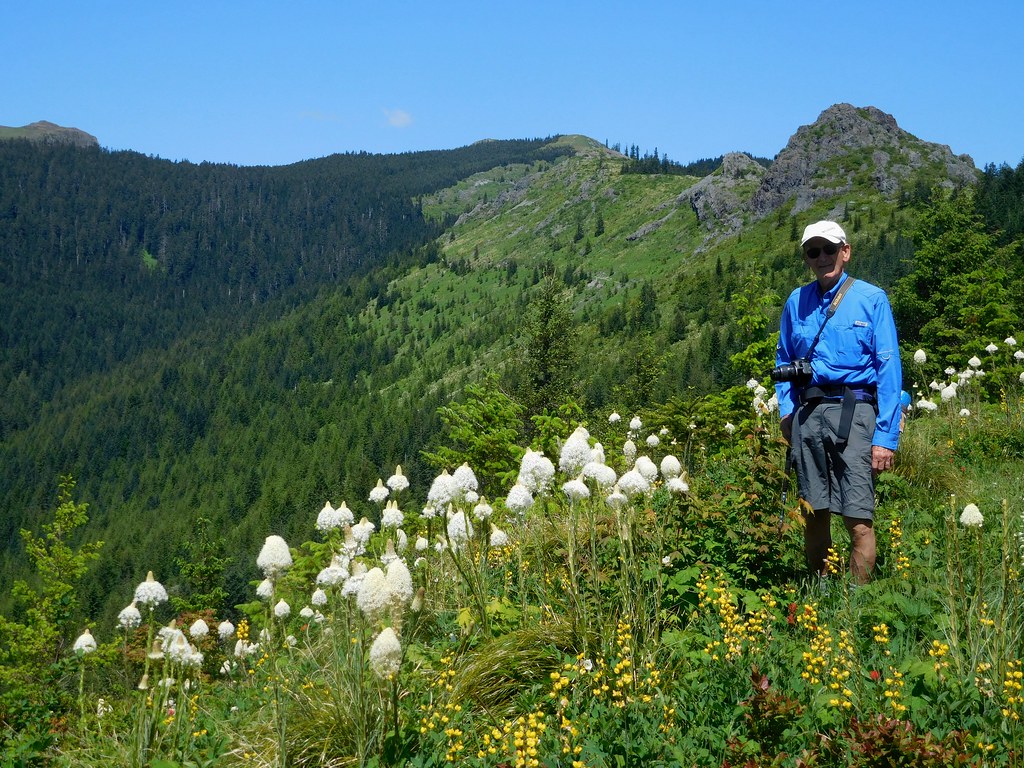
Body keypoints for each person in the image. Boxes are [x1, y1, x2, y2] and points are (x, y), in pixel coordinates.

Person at [775, 220, 902, 584]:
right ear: (806, 258)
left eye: (829, 249)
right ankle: (822, 597)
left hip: (856, 412)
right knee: (814, 515)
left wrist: (885, 437)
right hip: (807, 415)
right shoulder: (796, 302)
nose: (822, 257)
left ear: (845, 252)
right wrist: (787, 410)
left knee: (857, 518)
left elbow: (889, 369)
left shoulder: (871, 299)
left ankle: (858, 604)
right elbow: (783, 359)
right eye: (813, 251)